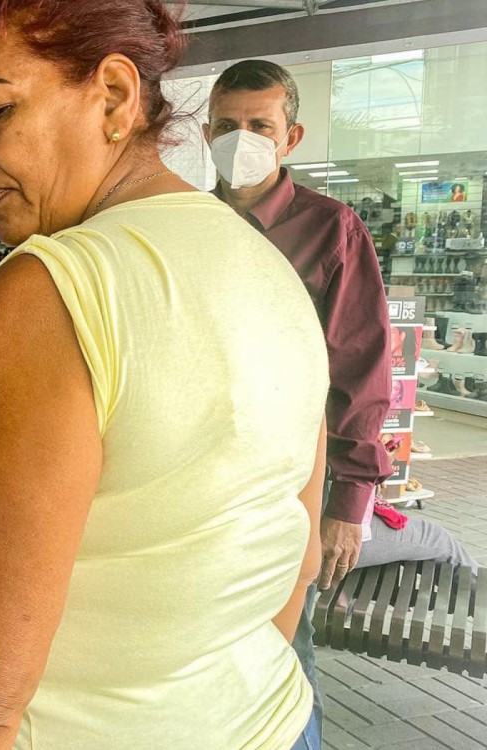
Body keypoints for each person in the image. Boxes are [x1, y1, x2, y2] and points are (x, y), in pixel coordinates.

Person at [0, 1, 327, 748]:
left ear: (114, 97)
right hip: (274, 720)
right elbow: (297, 560)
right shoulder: (266, 266)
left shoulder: (51, 291)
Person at [205, 59, 394, 741]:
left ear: (292, 137)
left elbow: (361, 369)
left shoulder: (331, 230)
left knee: (285, 649)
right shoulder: (186, 223)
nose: (241, 139)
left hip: (290, 486)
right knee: (202, 650)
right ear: (206, 131)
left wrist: (348, 505)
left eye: (260, 125)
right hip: (197, 478)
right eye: (226, 124)